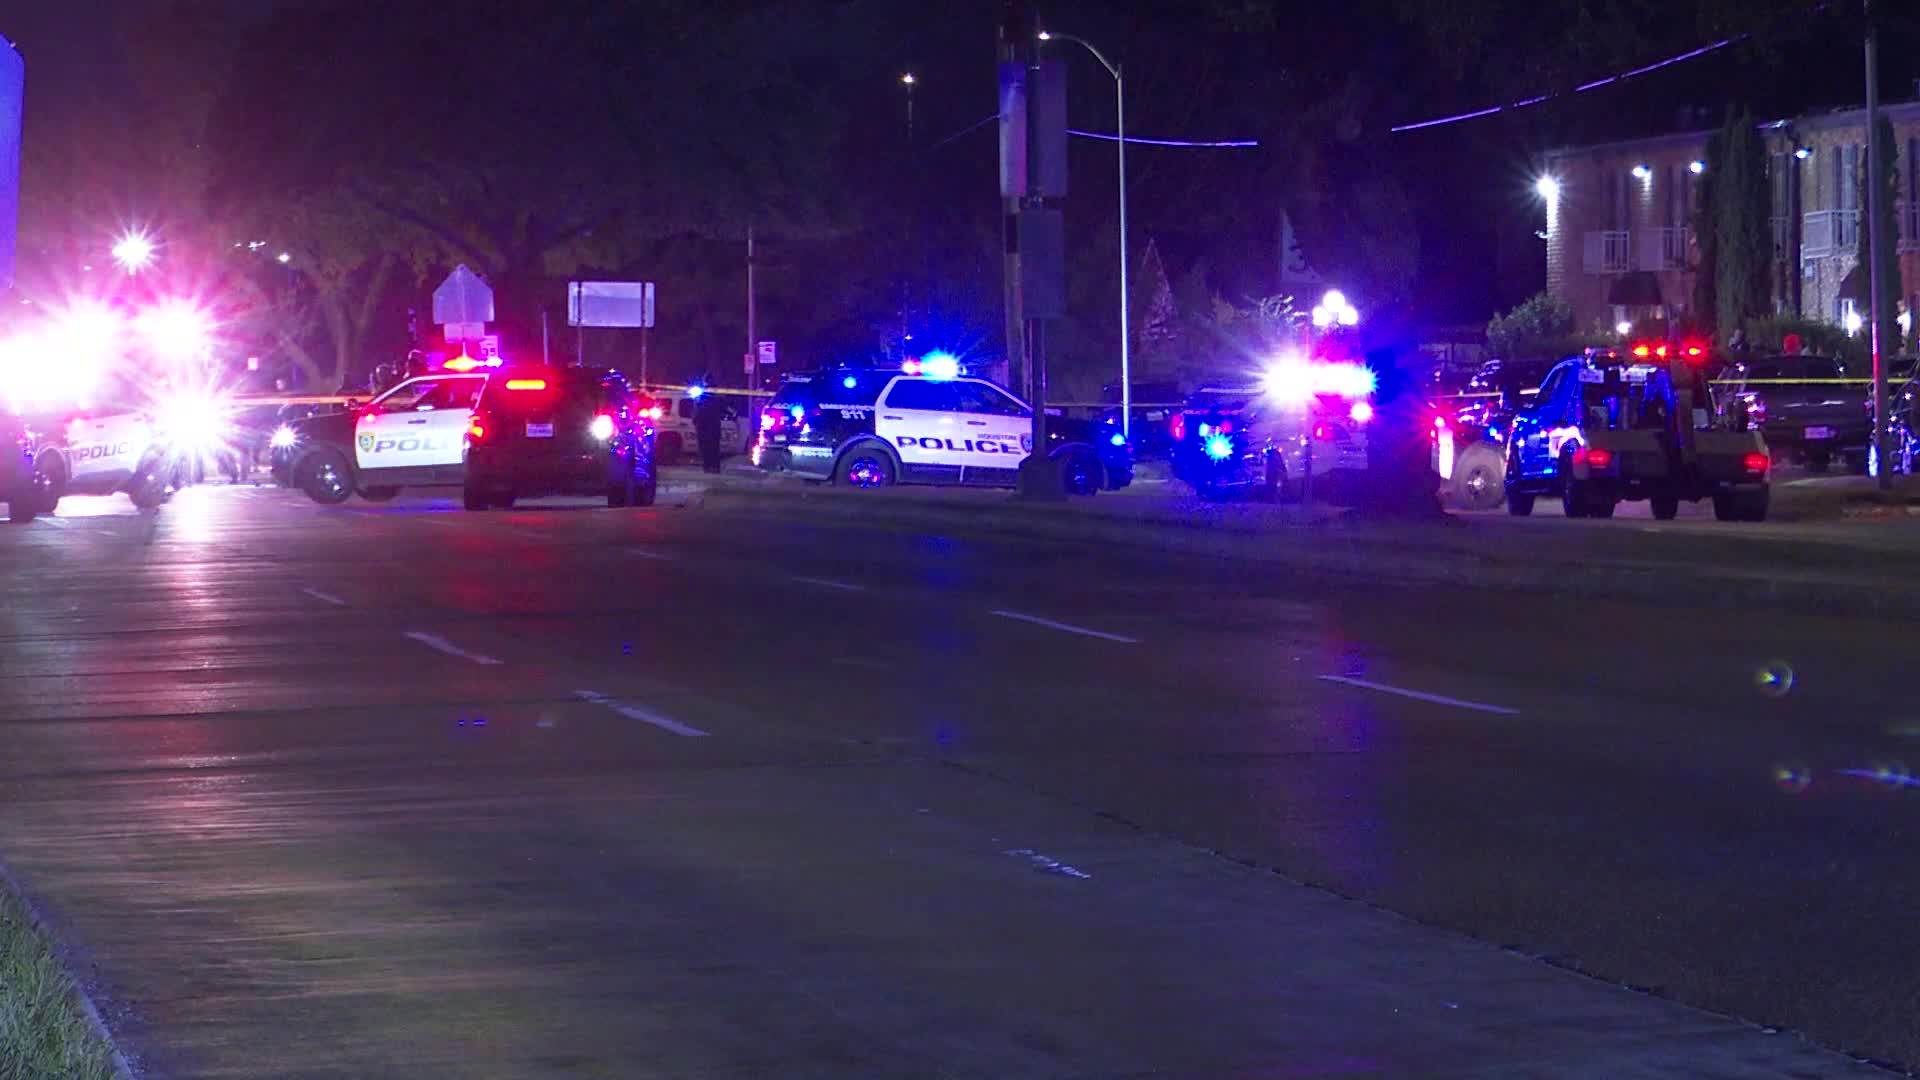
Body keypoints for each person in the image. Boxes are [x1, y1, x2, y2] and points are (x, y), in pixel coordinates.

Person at [693, 377, 724, 474]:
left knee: (706, 449)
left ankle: (708, 467)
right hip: (712, 428)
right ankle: (713, 467)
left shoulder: (703, 400)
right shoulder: (716, 399)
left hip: (704, 428)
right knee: (713, 449)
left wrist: (696, 421)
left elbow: (697, 414)